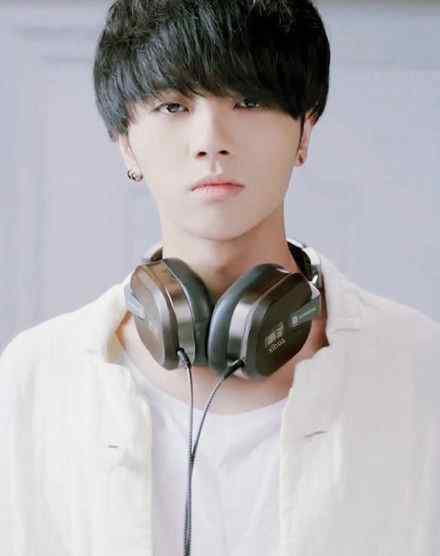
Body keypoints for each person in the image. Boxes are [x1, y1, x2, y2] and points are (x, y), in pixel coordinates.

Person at [1, 1, 439, 555]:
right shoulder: (37, 379)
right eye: (173, 106)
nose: (211, 139)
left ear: (305, 128)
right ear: (125, 140)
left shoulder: (419, 367)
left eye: (248, 100)